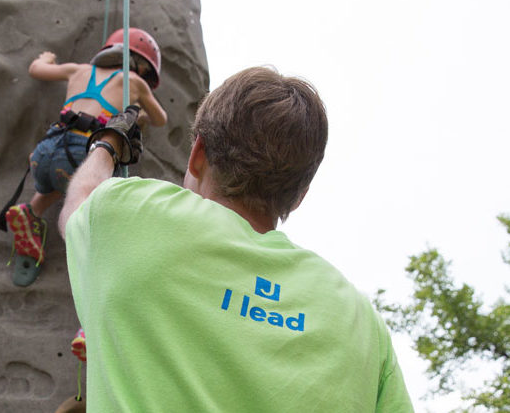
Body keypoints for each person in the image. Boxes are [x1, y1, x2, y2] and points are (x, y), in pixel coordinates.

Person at [58, 66, 414, 412]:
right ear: (299, 194)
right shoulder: (362, 322)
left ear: (197, 154)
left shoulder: (128, 215)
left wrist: (106, 144)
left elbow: (78, 202)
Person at [5, 28, 167, 267]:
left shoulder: (78, 70)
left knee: (61, 180)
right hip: (82, 151)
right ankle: (87, 250)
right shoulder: (134, 82)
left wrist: (46, 58)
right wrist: (139, 112)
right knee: (82, 188)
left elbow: (36, 70)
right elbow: (160, 118)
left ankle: (31, 211)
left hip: (47, 147)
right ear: (142, 67)